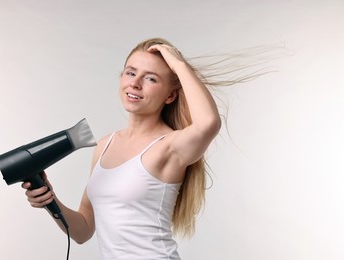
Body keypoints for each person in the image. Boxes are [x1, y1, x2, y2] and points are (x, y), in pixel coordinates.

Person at [22, 37, 221, 259]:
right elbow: (83, 230)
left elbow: (208, 123)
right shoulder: (105, 145)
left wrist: (179, 66)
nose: (135, 84)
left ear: (170, 95)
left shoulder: (170, 146)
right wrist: (50, 200)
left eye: (151, 78)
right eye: (131, 72)